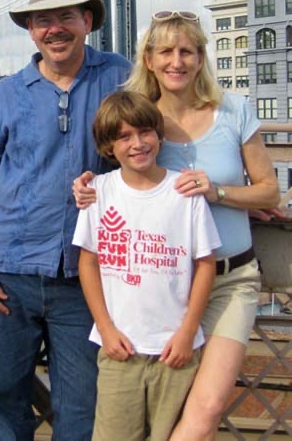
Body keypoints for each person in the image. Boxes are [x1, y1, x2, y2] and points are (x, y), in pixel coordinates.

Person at [74, 11, 280, 440]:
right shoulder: (140, 120)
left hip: (227, 280)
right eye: (165, 50)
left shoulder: (234, 110)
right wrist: (84, 187)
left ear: (201, 57)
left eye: (188, 51)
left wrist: (219, 192)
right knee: (158, 418)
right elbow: (113, 177)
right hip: (160, 290)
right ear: (148, 59)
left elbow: (268, 192)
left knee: (202, 413)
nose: (177, 61)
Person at [0, 0, 131, 440]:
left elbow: (165, 138)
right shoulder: (6, 94)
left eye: (65, 16)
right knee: (1, 398)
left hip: (87, 275)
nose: (54, 28)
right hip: (6, 274)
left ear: (87, 20)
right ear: (31, 30)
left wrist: (228, 190)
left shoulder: (122, 77)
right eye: (41, 20)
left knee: (82, 406)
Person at [73, 90, 219, 440]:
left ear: (159, 135)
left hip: (176, 351)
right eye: (124, 136)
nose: (137, 143)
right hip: (120, 349)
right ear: (109, 146)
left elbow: (206, 265)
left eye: (144, 132)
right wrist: (105, 330)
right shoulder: (99, 191)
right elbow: (88, 265)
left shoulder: (183, 192)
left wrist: (186, 333)